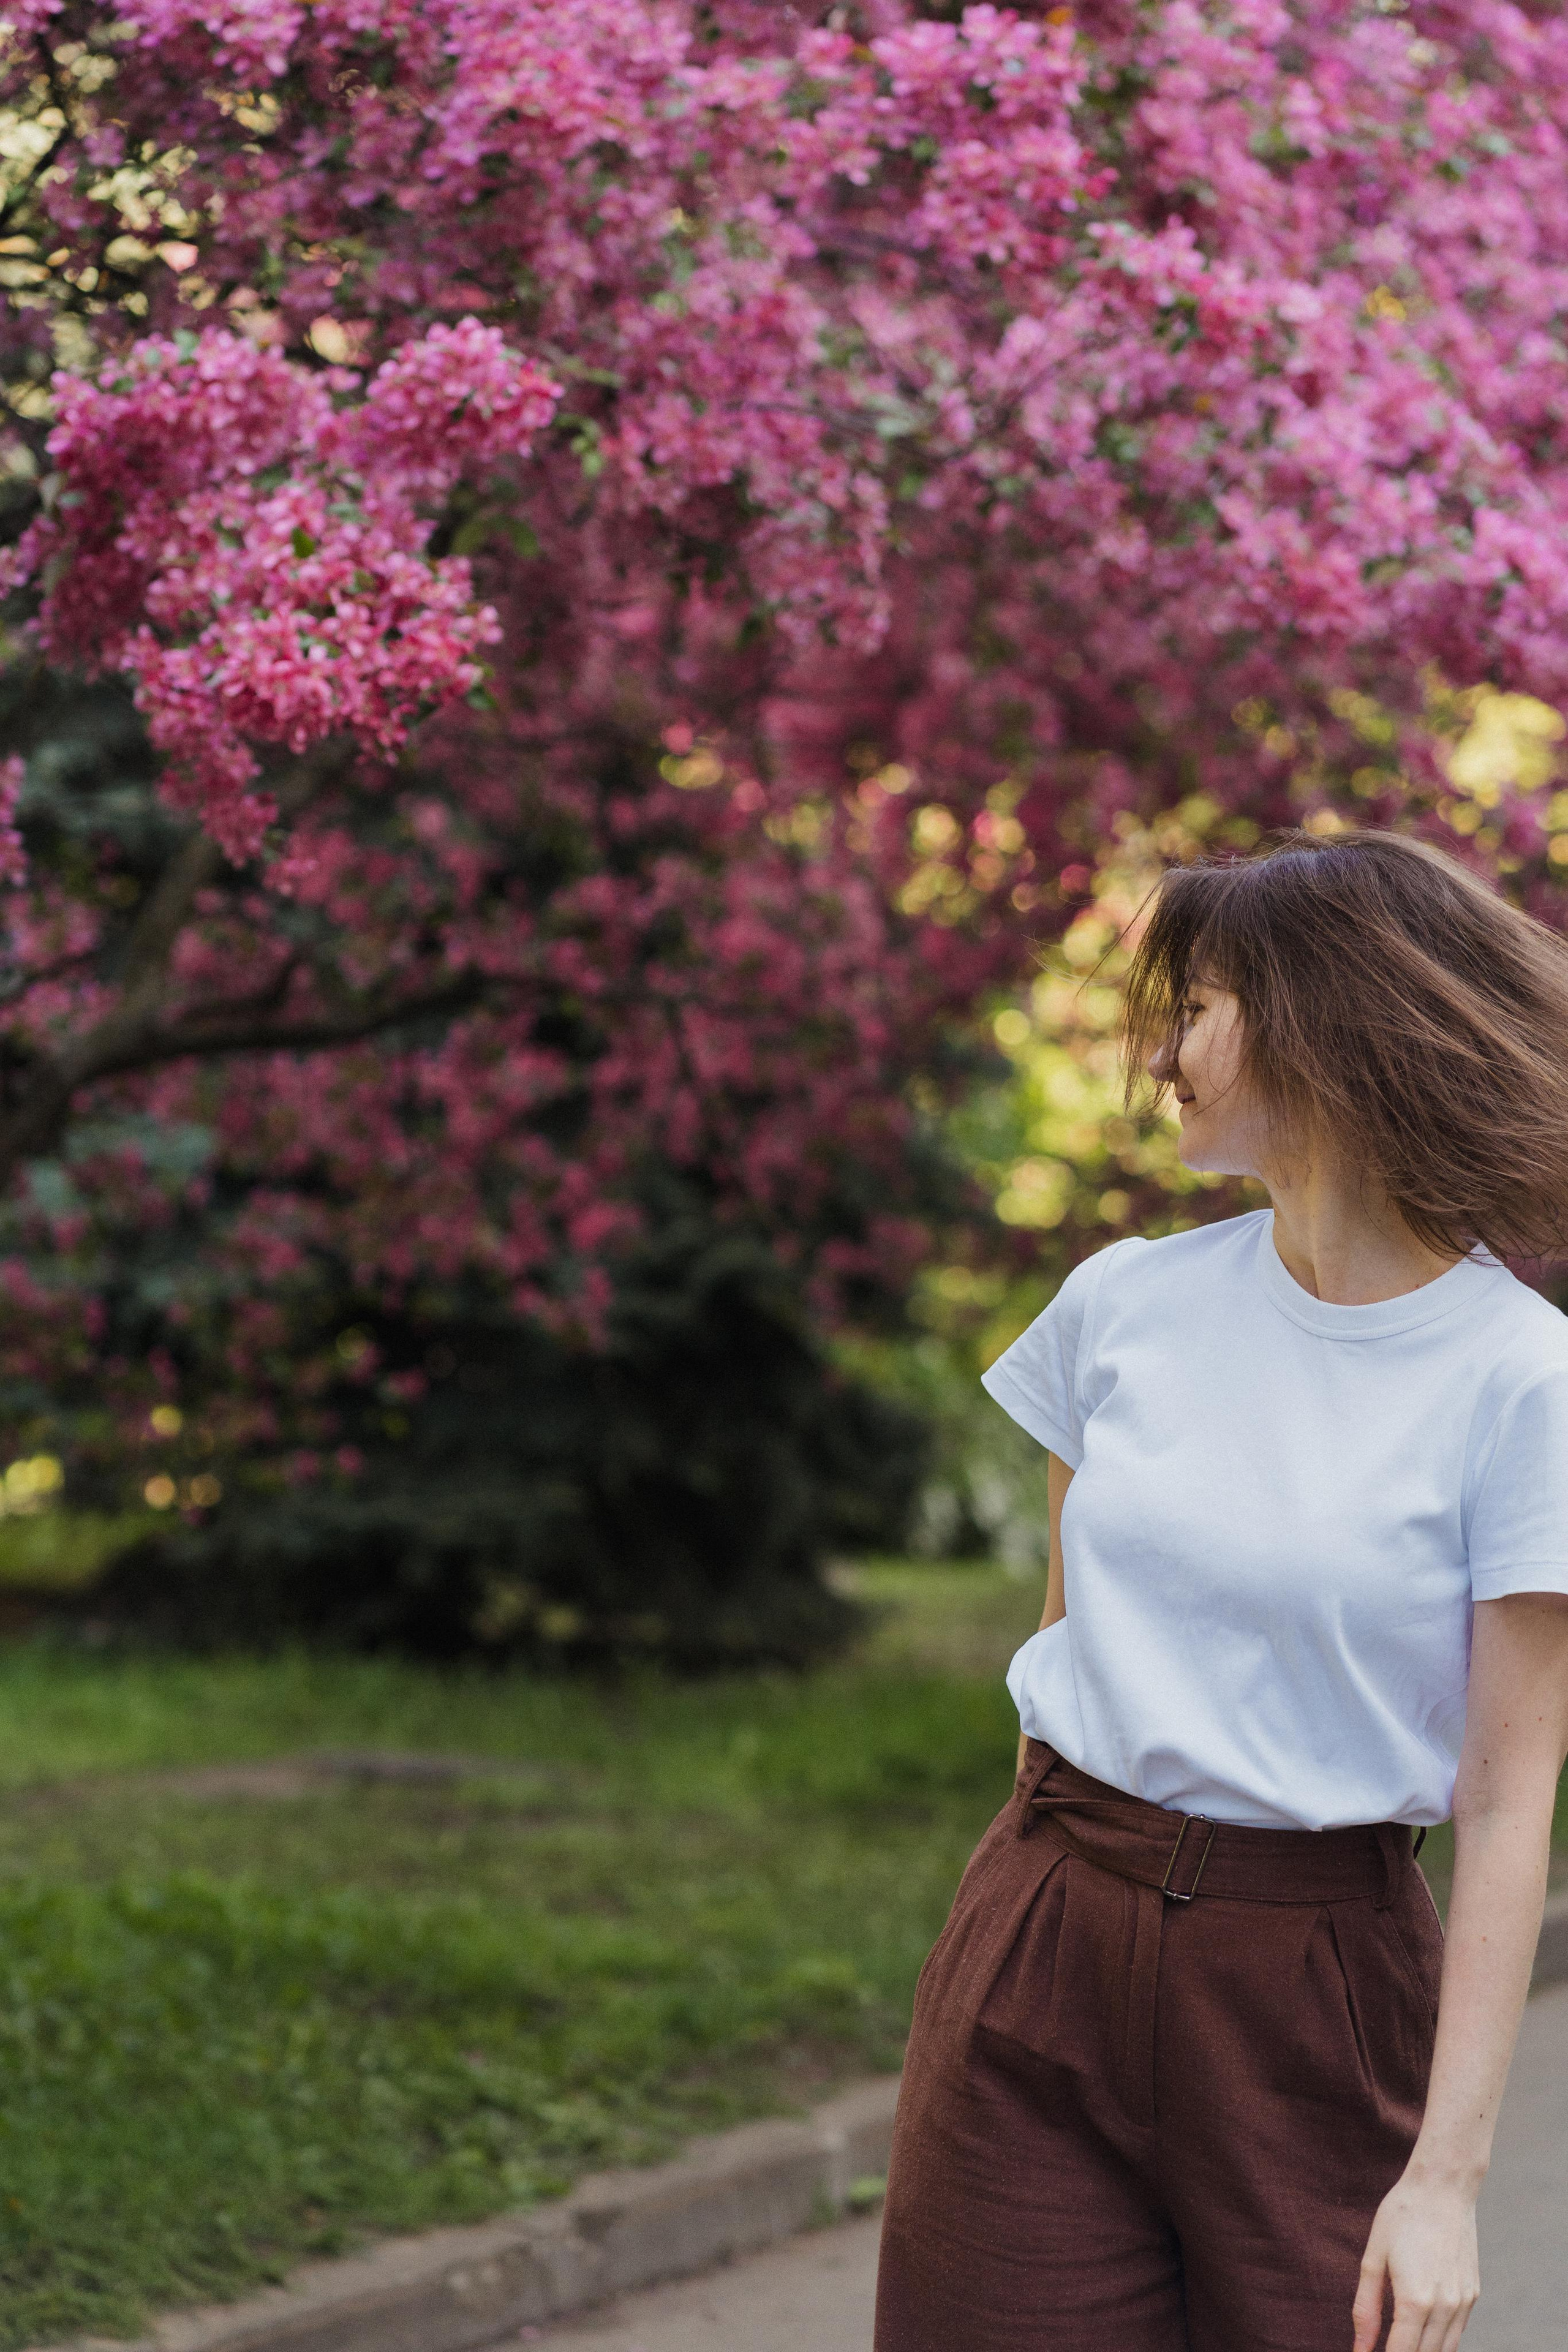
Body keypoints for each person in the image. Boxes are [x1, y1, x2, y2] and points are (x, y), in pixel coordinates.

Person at [875, 829, 1568, 2352]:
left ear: (1323, 1021)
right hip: (1044, 1924)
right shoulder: (1121, 1308)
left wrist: (1444, 2179)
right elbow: (1061, 1644)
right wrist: (1028, 1904)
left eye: (1196, 1007)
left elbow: (1510, 1806)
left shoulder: (1517, 1379)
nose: (1160, 1055)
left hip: (1309, 1988)